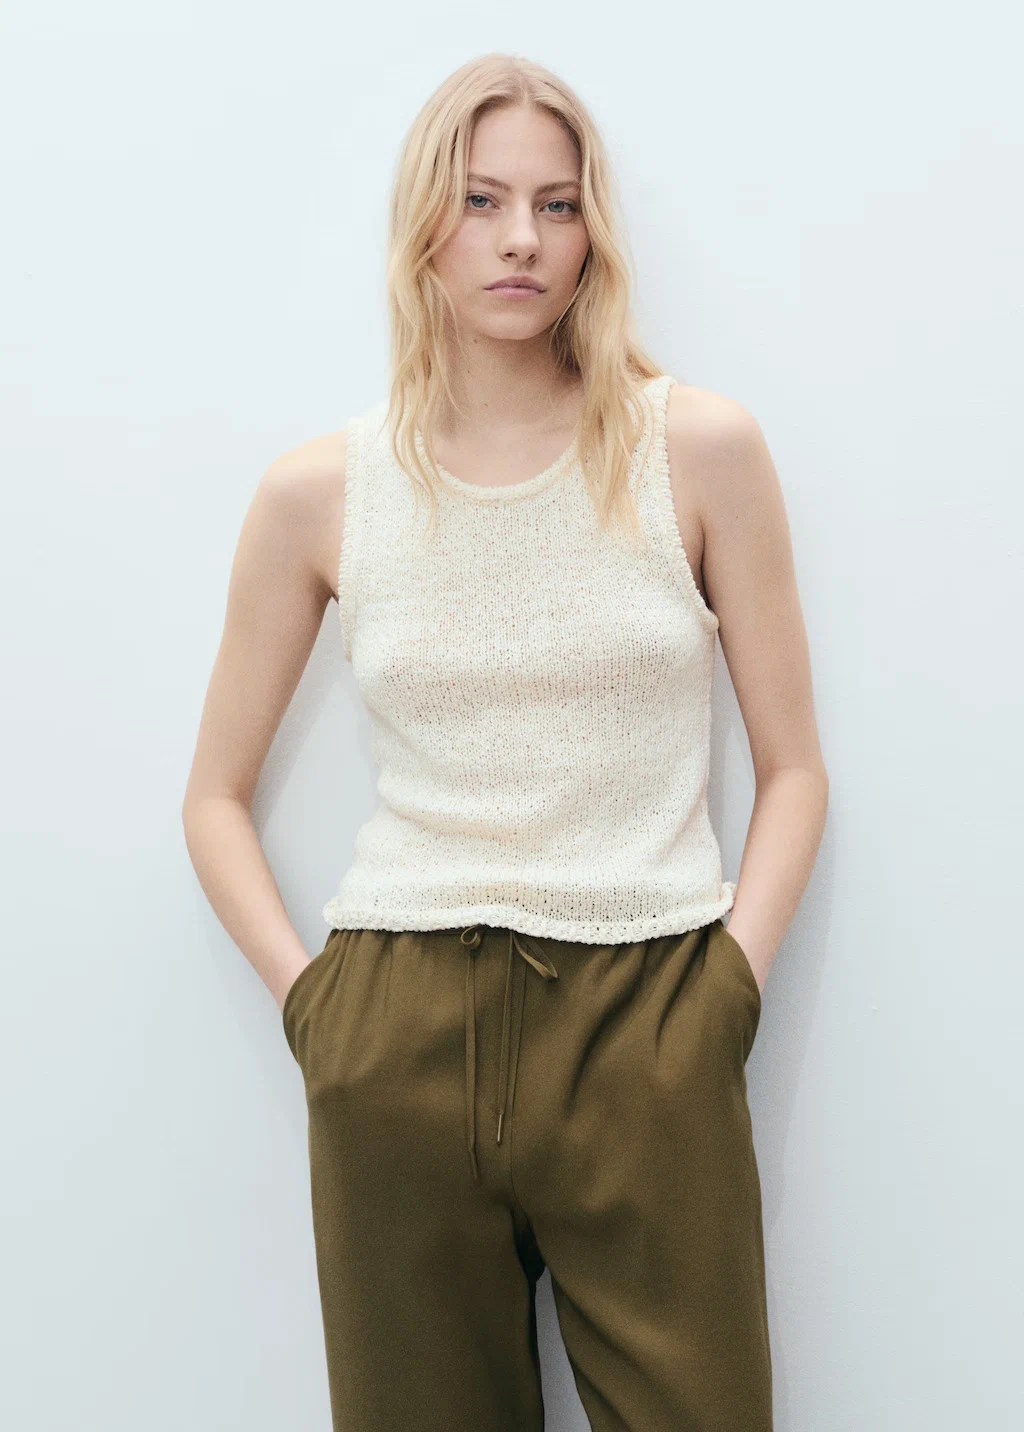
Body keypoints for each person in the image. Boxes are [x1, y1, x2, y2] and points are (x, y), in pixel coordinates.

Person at [182, 51, 828, 1432]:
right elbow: (213, 797)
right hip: (398, 1031)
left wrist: (721, 1000)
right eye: (480, 200)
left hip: (648, 1018)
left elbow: (795, 769)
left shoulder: (697, 450)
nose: (521, 238)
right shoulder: (322, 492)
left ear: (594, 232)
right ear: (424, 223)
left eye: (556, 202)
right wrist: (320, 1017)